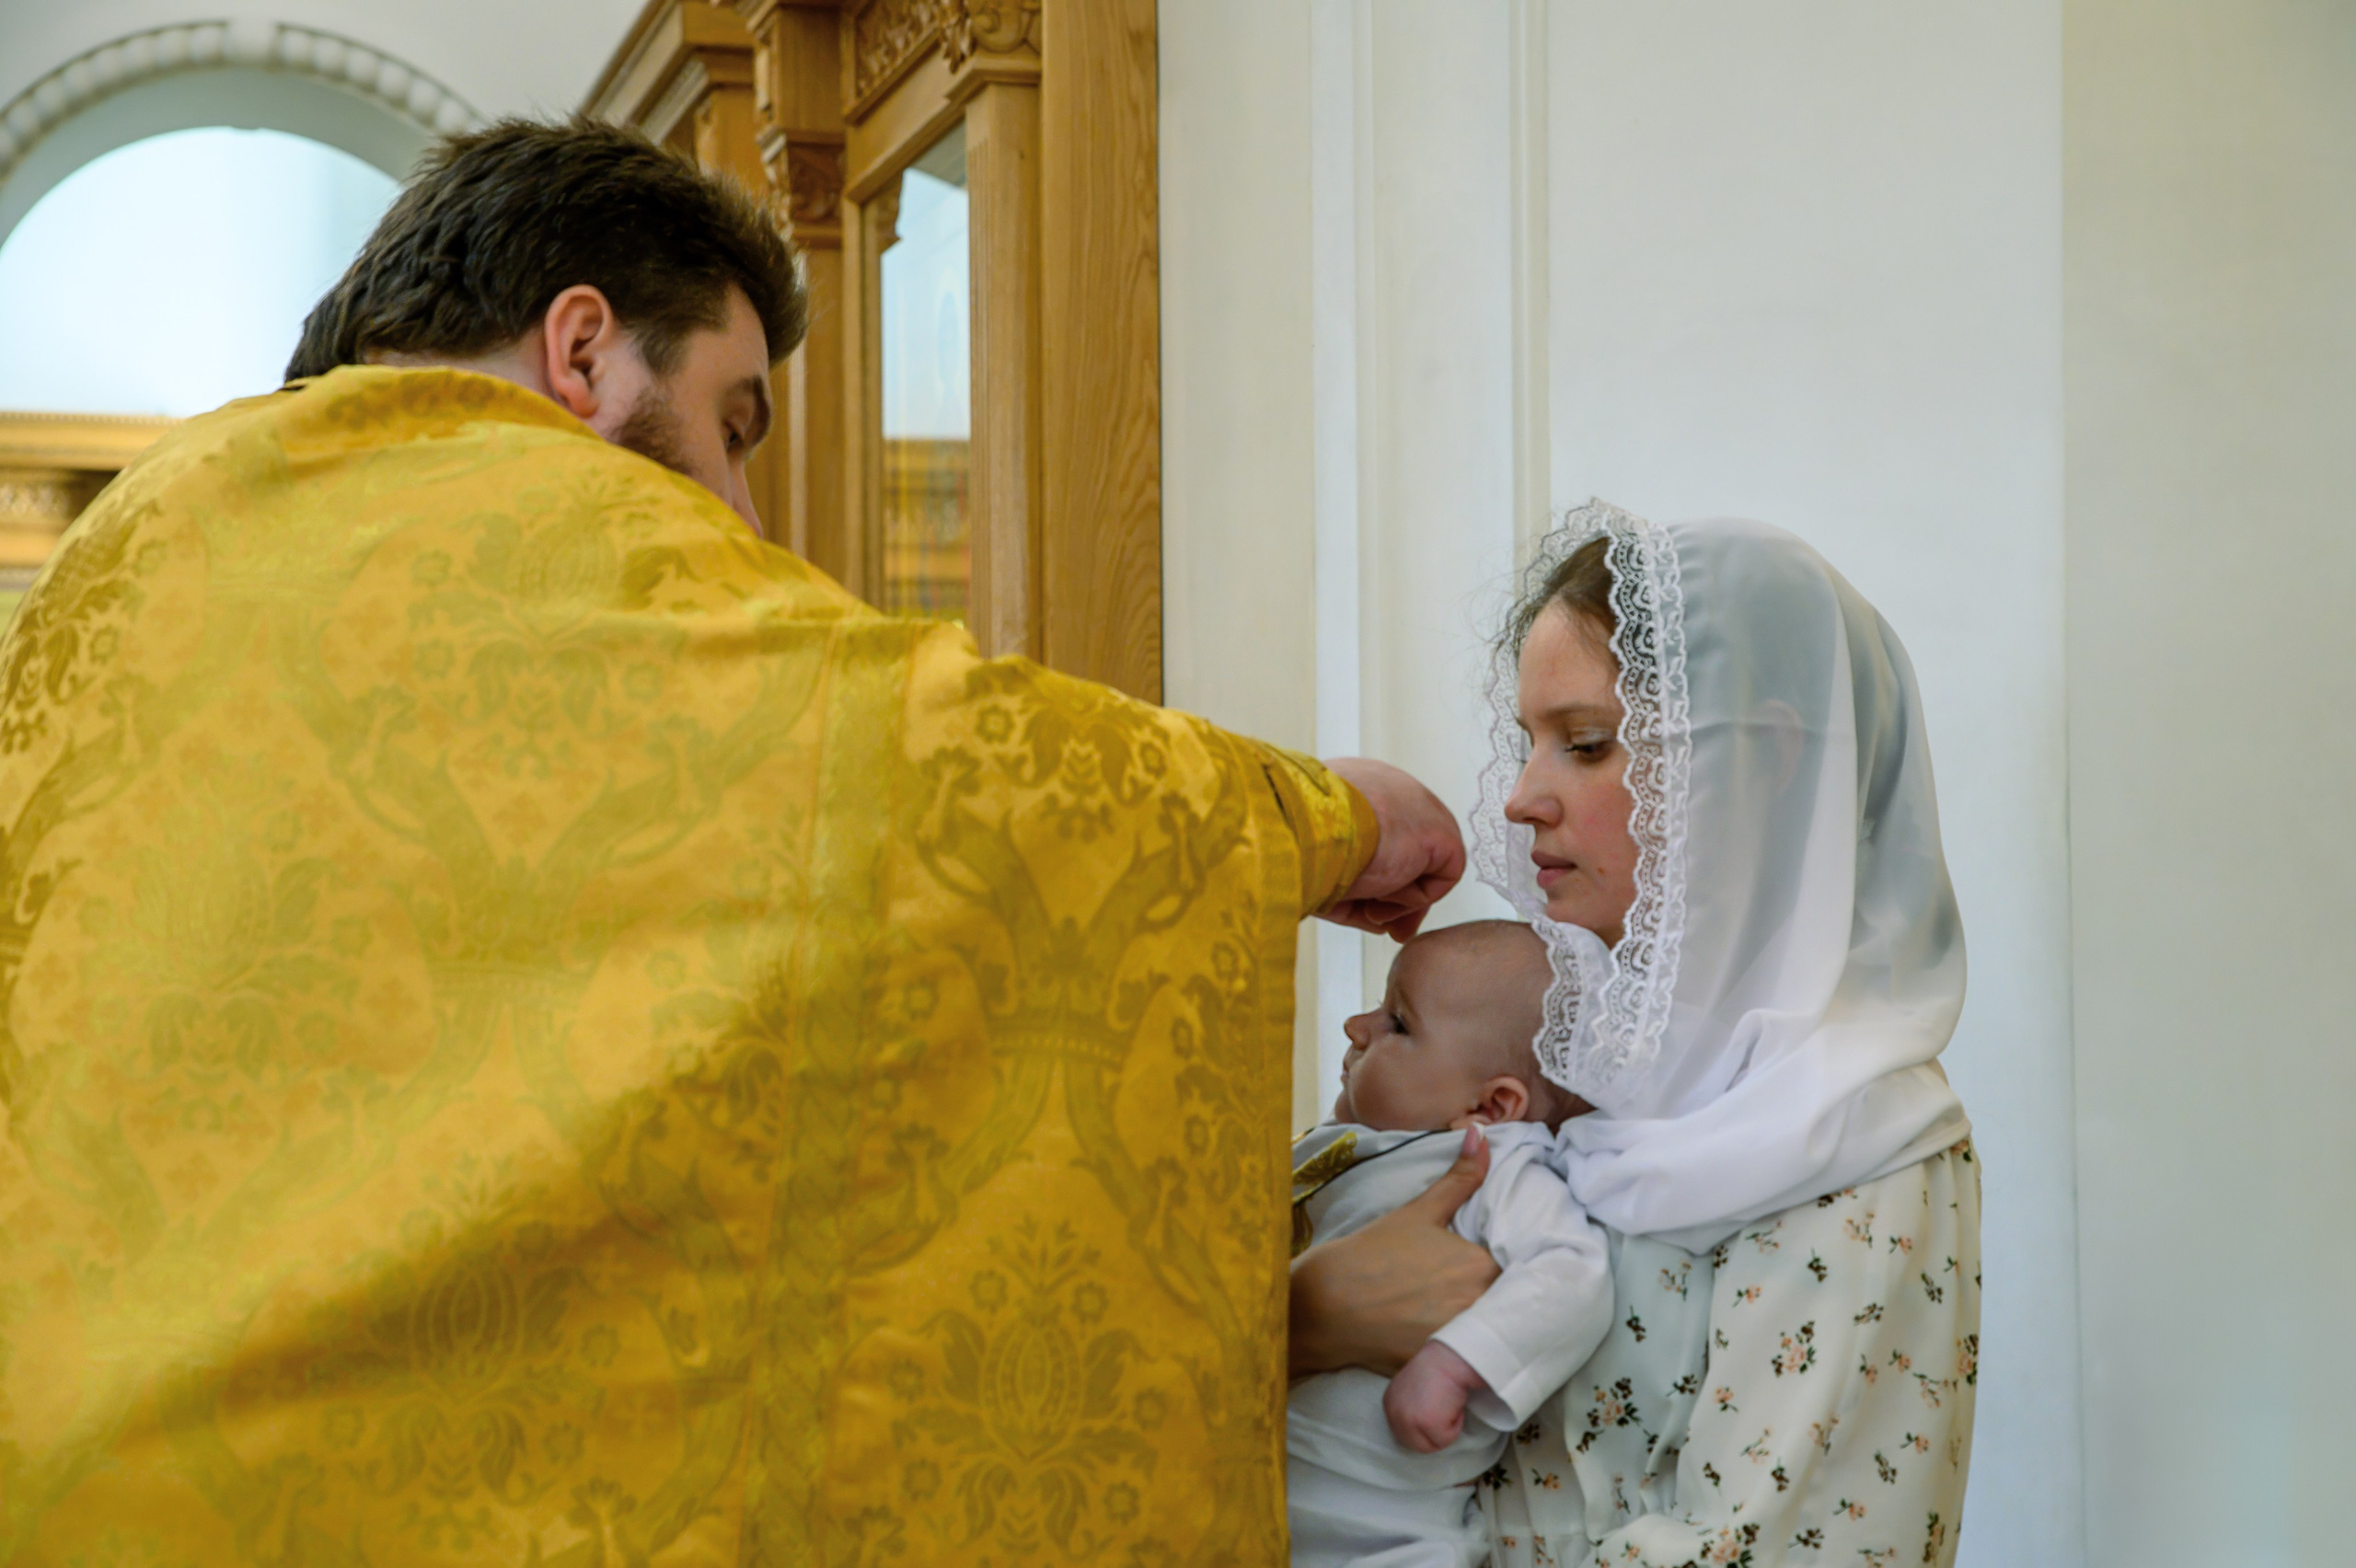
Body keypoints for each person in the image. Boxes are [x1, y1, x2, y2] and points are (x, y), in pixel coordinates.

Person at [0, 120, 1464, 1566]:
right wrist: (1317, 814)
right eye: (733, 422)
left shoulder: (136, 540)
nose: (743, 514)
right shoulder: (561, 523)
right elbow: (947, 770)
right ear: (581, 351)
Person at [1288, 502, 1982, 1567]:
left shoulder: (1862, 1133)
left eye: (1584, 744)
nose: (1521, 800)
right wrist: (1310, 1316)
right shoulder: (1563, 1062)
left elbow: (1785, 1546)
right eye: (1526, 745)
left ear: (1760, 758)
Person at [1287, 920, 1611, 1568]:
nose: (1357, 1026)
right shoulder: (1350, 1143)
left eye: (1398, 1024)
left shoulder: (1496, 1163)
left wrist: (1452, 1365)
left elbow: (1571, 1274)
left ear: (1491, 1107)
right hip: (1270, 1478)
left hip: (1385, 1523)